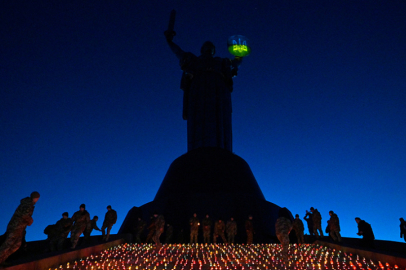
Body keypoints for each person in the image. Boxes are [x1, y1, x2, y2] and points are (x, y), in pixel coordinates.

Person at [164, 28, 242, 152]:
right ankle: (198, 147)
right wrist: (169, 41)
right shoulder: (194, 60)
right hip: (198, 89)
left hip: (218, 89)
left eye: (211, 47)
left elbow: (237, 61)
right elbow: (178, 52)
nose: (209, 49)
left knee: (218, 116)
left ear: (214, 51)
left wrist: (240, 51)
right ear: (202, 50)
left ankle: (220, 145)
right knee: (199, 116)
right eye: (206, 47)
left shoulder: (221, 62)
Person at [0, 191, 40, 264]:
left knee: (17, 245)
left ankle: (2, 259)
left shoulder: (29, 204)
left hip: (20, 228)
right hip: (16, 227)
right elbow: (24, 215)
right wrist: (30, 220)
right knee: (8, 244)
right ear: (36, 198)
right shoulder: (28, 204)